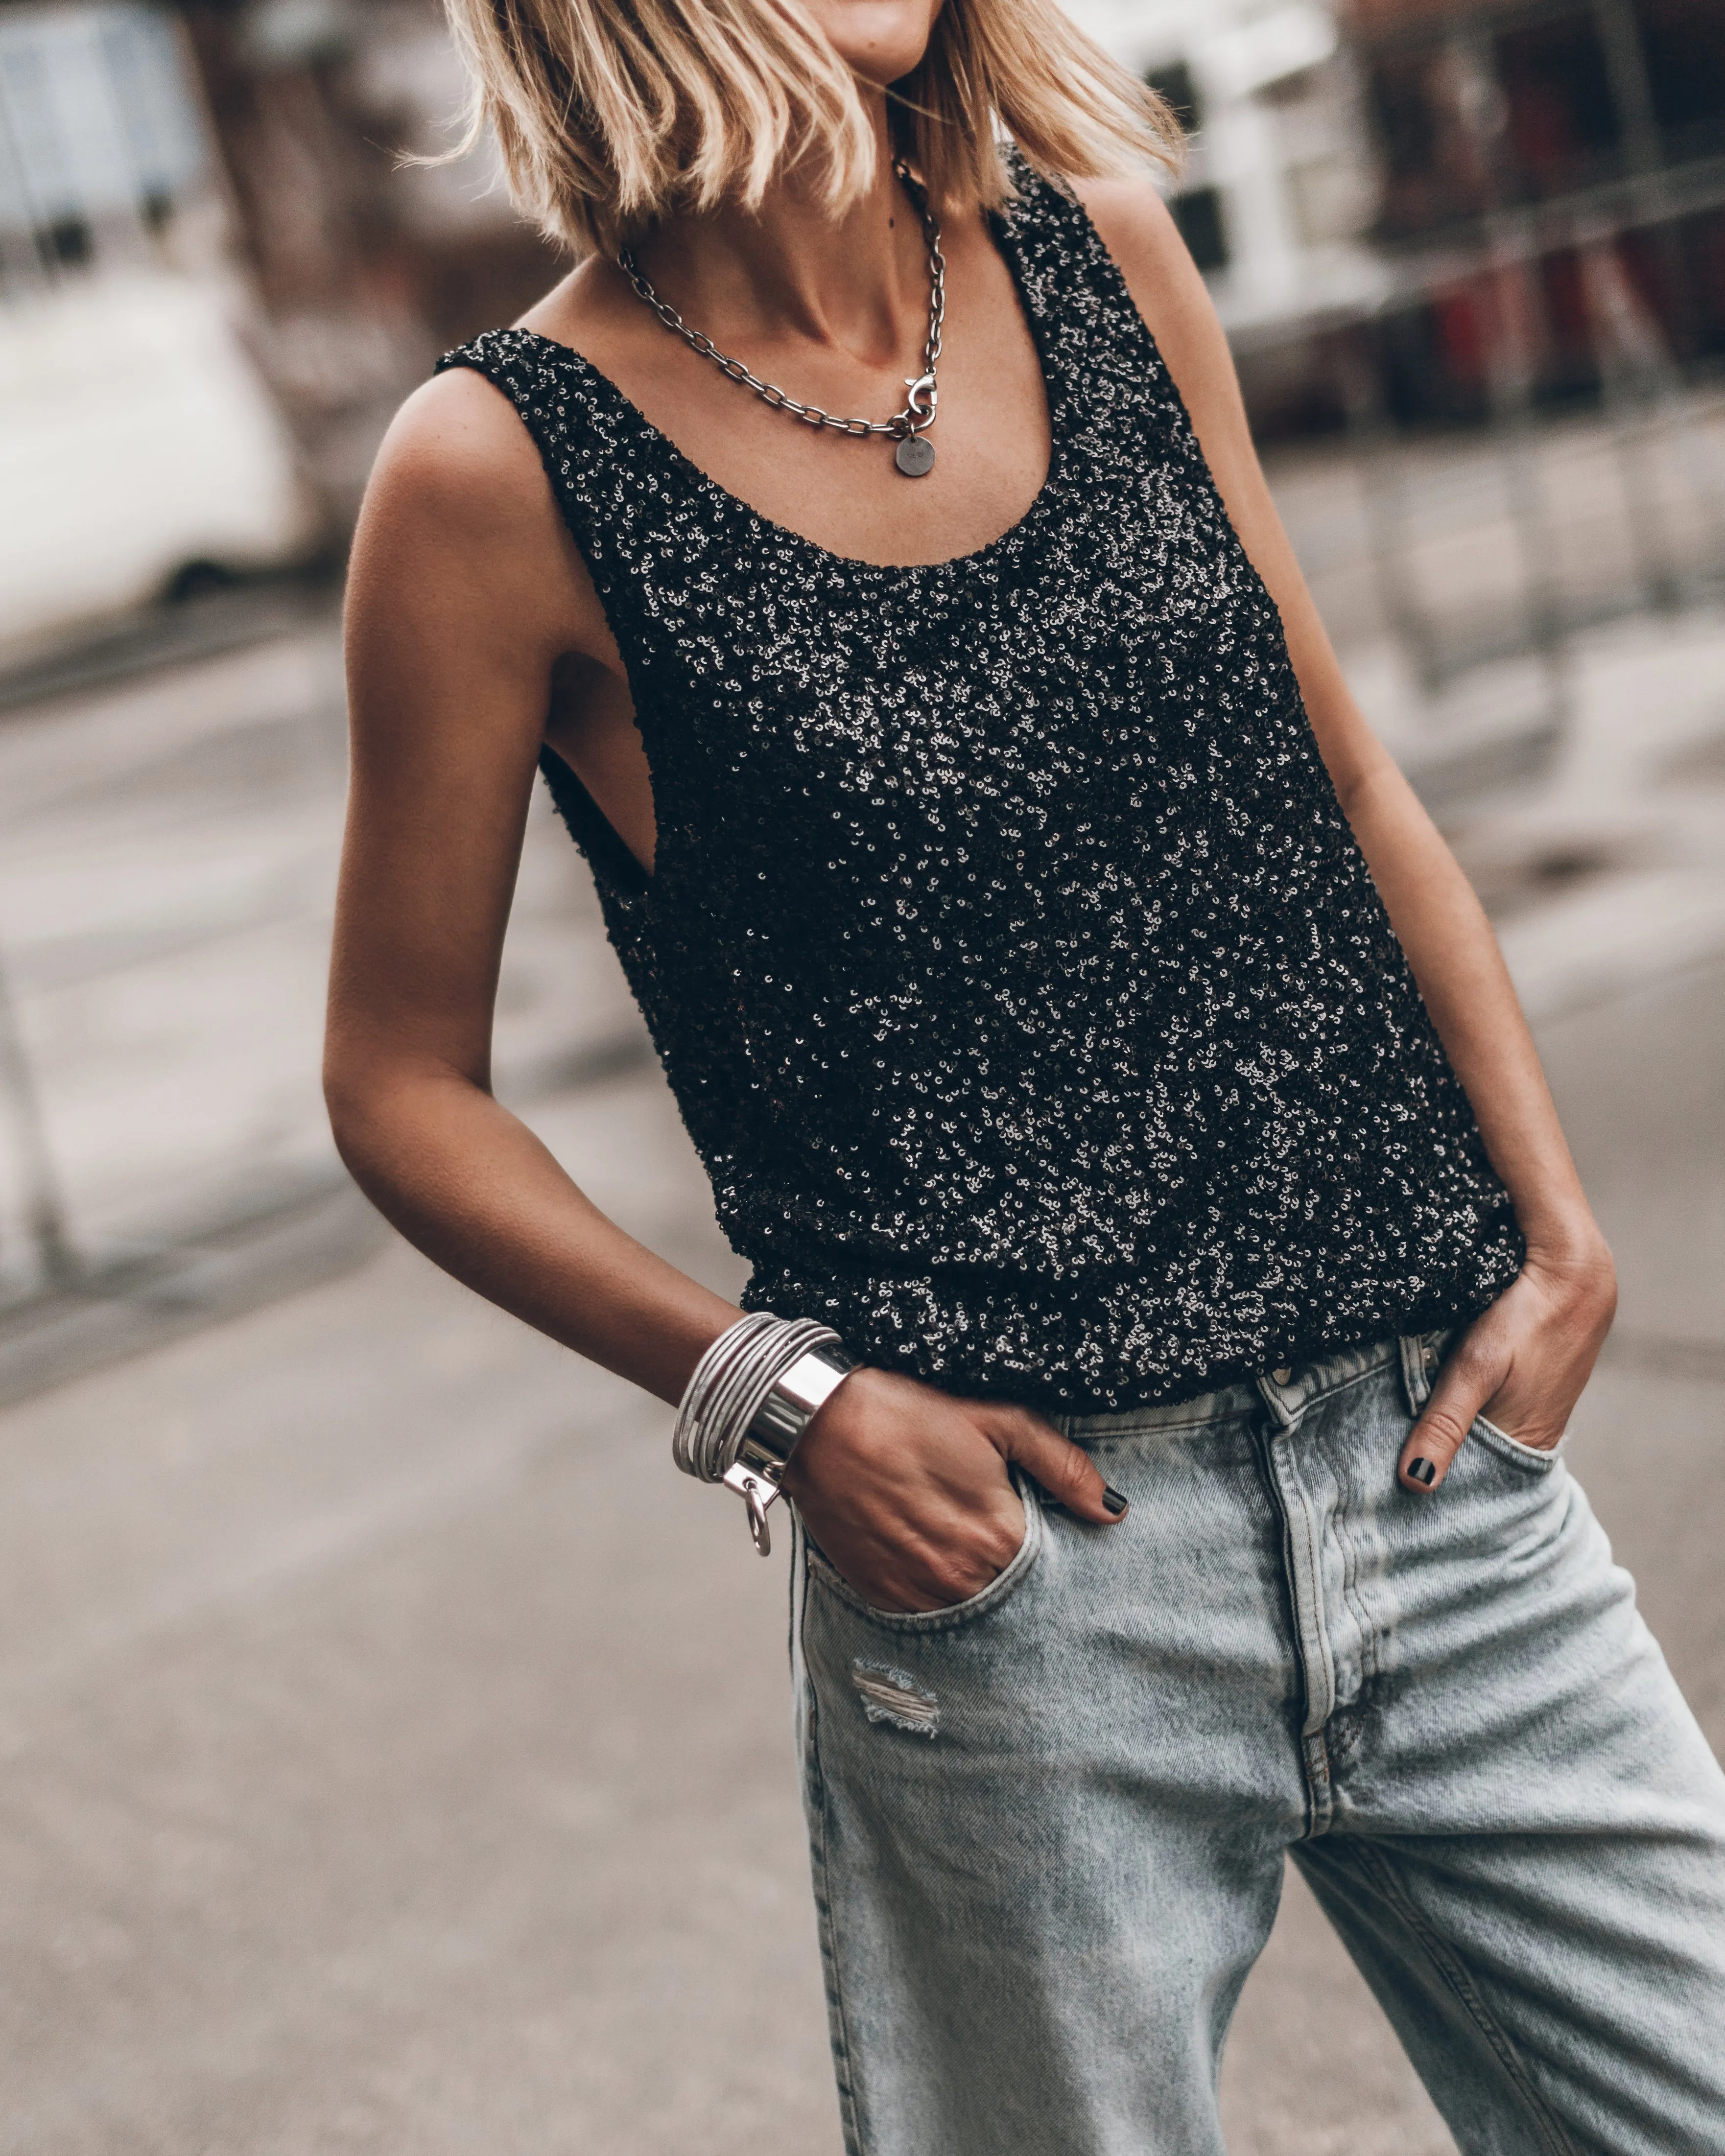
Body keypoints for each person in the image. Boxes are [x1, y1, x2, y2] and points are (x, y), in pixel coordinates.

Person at [324, 0, 1725, 2145]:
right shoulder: (495, 468)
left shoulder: (1106, 261)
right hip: (1027, 1589)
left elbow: (1337, 774)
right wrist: (776, 1406)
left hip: (1443, 1485)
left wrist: (1558, 1227)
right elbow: (401, 1082)